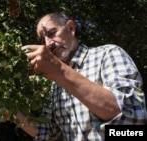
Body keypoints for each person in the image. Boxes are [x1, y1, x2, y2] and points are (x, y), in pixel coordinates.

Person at [9, 11, 147, 140]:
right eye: (42, 40)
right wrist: (12, 112)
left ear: (71, 28)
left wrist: (59, 70)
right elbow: (48, 133)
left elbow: (133, 119)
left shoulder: (107, 54)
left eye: (52, 33)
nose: (48, 44)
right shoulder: (56, 83)